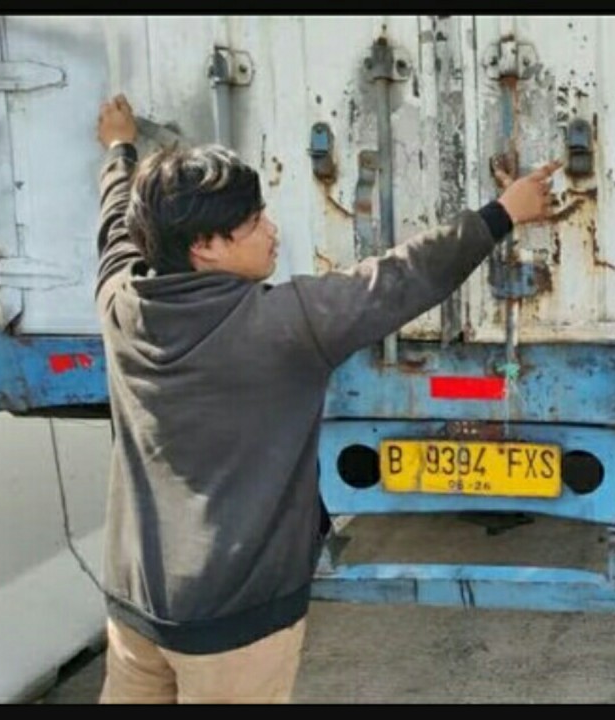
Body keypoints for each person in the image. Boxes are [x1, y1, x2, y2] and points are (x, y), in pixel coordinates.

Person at [92, 94, 561, 703]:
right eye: (253, 222)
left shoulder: (120, 305)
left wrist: (118, 152)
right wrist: (502, 214)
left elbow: (113, 232)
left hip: (135, 608)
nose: (271, 229)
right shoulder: (282, 325)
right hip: (234, 623)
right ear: (205, 247)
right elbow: (402, 277)